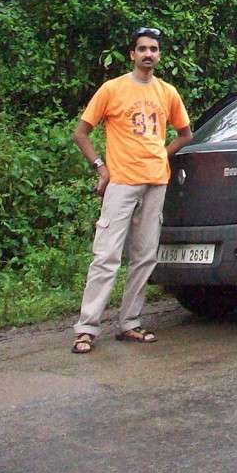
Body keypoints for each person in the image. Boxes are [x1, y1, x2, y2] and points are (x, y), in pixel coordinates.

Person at [70, 26, 192, 354]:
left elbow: (185, 133)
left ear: (159, 55)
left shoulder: (167, 92)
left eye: (154, 49)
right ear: (132, 54)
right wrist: (101, 168)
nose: (148, 54)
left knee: (144, 255)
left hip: (156, 183)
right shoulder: (113, 89)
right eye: (142, 49)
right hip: (121, 182)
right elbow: (81, 133)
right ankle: (87, 328)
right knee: (106, 255)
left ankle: (130, 323)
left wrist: (160, 155)